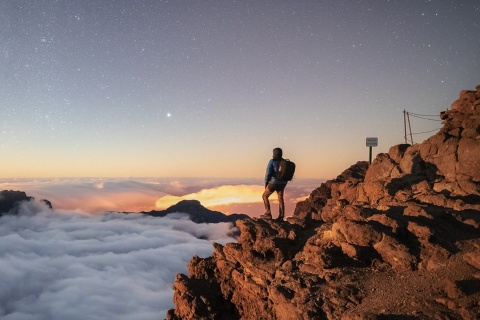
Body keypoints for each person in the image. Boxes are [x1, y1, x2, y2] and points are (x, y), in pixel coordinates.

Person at [261, 147, 287, 221]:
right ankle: (281, 216)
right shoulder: (284, 162)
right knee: (280, 199)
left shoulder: (272, 161)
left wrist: (266, 183)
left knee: (265, 196)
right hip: (282, 183)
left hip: (273, 183)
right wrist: (284, 183)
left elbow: (268, 173)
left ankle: (268, 213)